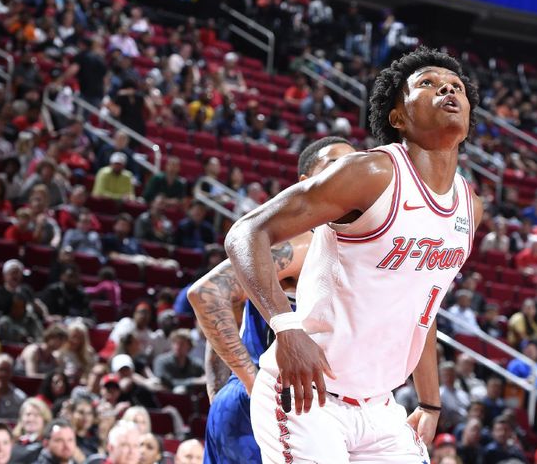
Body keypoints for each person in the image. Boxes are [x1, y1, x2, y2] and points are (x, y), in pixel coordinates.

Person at [220, 48, 481, 461]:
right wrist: (285, 327)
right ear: (398, 118)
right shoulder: (371, 174)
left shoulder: (469, 206)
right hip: (310, 397)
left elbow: (422, 307)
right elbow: (246, 232)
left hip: (380, 405)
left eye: (457, 86)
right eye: (427, 83)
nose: (448, 87)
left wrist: (430, 403)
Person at [190, 137, 356, 464]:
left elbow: (230, 315)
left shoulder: (347, 247)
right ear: (308, 184)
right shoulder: (303, 243)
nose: (348, 175)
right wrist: (252, 387)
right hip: (272, 405)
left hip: (304, 410)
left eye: (353, 166)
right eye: (334, 166)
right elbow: (207, 295)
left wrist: (221, 391)